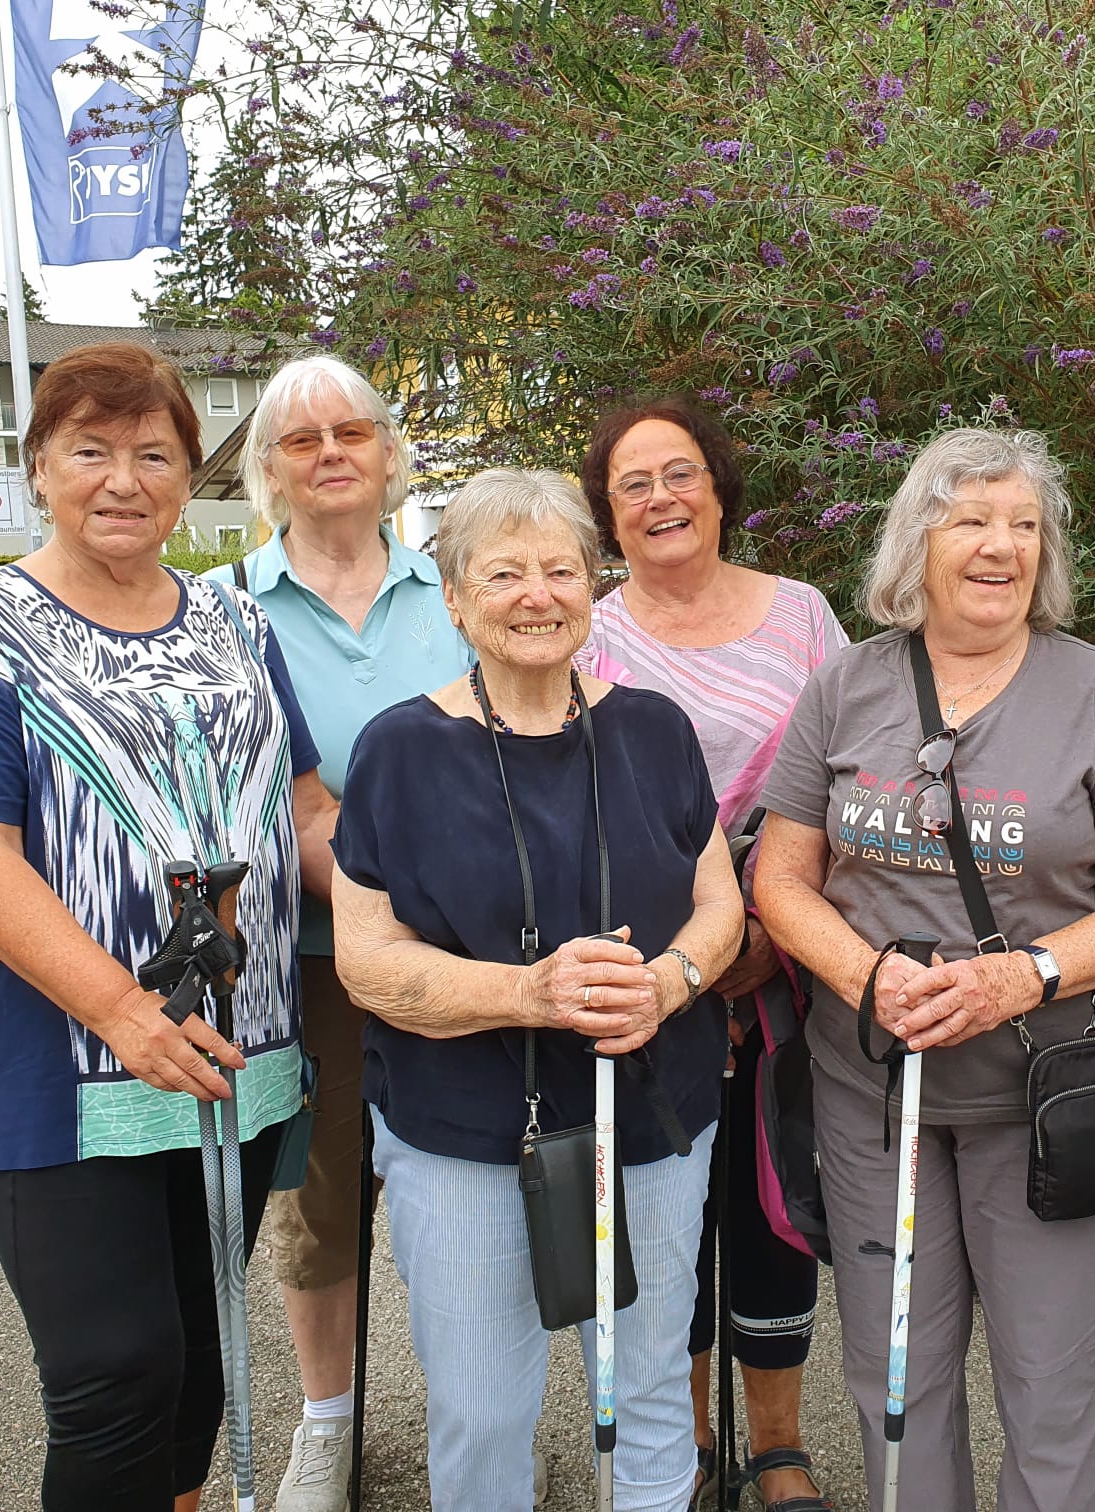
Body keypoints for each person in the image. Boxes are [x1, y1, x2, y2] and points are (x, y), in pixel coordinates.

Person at [0, 342, 332, 1512]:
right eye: (90, 450)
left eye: (153, 454)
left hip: (234, 1060)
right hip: (67, 1065)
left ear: (191, 478)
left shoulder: (237, 628)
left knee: (194, 1373)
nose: (122, 479)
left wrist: (431, 911)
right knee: (113, 1374)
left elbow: (303, 807)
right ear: (38, 468)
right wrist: (124, 1009)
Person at [752, 427, 1095, 1512]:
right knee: (896, 1379)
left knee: (1052, 1389)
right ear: (920, 540)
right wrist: (867, 979)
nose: (1002, 548)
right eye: (974, 522)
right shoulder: (844, 686)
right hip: (874, 1093)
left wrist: (1022, 976)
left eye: (1024, 527)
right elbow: (781, 879)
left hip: (1043, 1099)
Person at [329, 468, 746, 1511]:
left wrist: (670, 982)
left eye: (562, 568)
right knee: (479, 1409)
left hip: (648, 1119)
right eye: (502, 571)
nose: (537, 594)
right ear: (456, 597)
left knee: (651, 1385)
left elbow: (721, 904)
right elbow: (367, 961)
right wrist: (532, 993)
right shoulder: (399, 750)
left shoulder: (655, 729)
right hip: (463, 1131)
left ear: (592, 587)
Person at [204, 355, 476, 1512]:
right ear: (269, 467)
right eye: (300, 438)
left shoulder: (458, 588)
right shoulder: (221, 608)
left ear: (387, 454)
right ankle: (330, 1424)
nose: (328, 453)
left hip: (470, 954)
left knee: (479, 1191)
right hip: (303, 965)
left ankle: (482, 1414)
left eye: (350, 432)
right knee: (319, 1205)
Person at [576, 397, 847, 1510]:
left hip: (779, 968)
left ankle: (776, 1444)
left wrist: (768, 929)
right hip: (645, 970)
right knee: (659, 1210)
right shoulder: (583, 628)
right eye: (632, 485)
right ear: (607, 514)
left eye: (678, 473)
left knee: (771, 1200)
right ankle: (677, 1442)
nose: (659, 499)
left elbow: (852, 778)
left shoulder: (804, 618)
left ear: (721, 486)